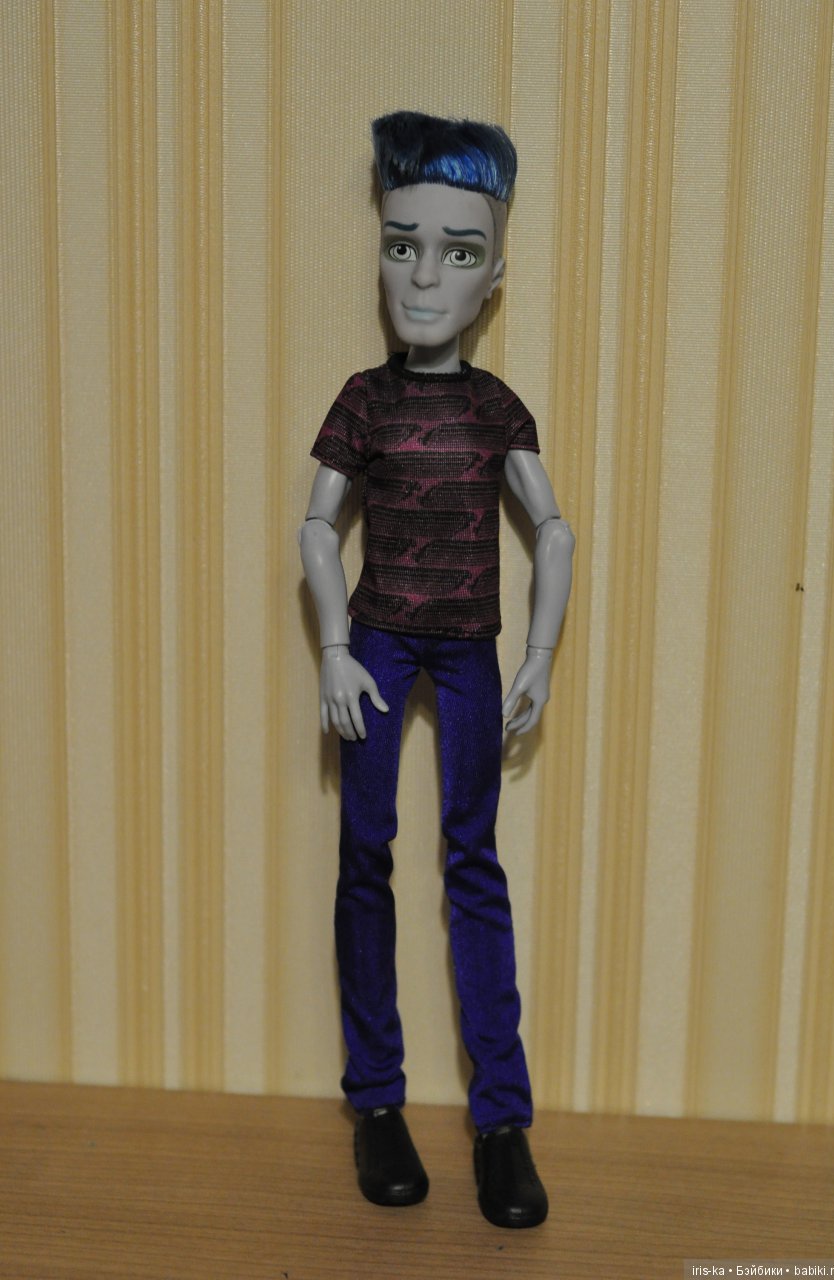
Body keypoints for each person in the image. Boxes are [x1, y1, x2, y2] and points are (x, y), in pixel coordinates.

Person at [298, 111, 575, 1229]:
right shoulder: (363, 400)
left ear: (494, 275)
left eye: (459, 252)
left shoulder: (495, 405)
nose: (424, 276)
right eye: (402, 243)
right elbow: (317, 527)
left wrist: (540, 653)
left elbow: (553, 528)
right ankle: (377, 1100)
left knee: (474, 863)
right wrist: (330, 646)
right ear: (380, 254)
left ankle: (501, 1119)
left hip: (468, 645)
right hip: (373, 641)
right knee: (364, 852)